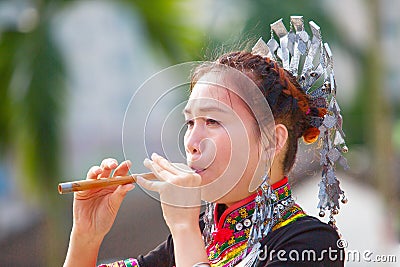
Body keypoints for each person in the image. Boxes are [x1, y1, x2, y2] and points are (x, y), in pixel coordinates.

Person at [63, 17, 347, 267]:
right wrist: (86, 237)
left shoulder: (312, 244)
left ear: (272, 140)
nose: (192, 142)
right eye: (190, 123)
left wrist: (184, 228)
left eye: (212, 121)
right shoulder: (200, 234)